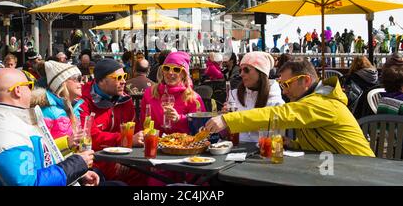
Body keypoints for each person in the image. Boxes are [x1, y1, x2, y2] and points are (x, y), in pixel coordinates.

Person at [205, 59, 375, 157]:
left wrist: (227, 119)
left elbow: (279, 114)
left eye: (286, 84)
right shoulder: (317, 99)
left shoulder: (323, 103)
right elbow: (323, 141)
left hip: (360, 169)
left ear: (306, 81)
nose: (283, 90)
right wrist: (294, 143)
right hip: (340, 165)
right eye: (281, 84)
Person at [0, 68, 99, 186]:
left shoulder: (12, 121)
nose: (32, 90)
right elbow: (30, 183)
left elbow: (41, 156)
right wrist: (77, 164)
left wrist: (77, 173)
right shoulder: (4, 131)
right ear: (18, 91)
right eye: (29, 85)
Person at [80, 58, 145, 185]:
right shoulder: (83, 101)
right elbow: (91, 136)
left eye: (124, 76)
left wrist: (128, 158)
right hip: (95, 160)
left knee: (146, 171)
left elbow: (135, 130)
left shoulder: (125, 100)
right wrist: (125, 139)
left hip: (122, 156)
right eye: (118, 77)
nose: (124, 81)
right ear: (102, 81)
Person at [223, 52, 284, 143]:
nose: (241, 74)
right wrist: (225, 121)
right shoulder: (234, 95)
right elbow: (228, 132)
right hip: (235, 150)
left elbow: (276, 136)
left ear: (261, 73)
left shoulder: (276, 102)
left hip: (262, 152)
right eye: (240, 70)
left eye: (246, 70)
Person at [140, 51, 205, 135]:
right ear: (162, 71)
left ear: (184, 74)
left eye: (176, 69)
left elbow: (200, 129)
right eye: (166, 68)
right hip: (154, 144)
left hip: (183, 145)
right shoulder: (149, 93)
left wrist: (179, 119)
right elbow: (142, 124)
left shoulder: (194, 98)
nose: (170, 72)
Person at [30, 60, 85, 155]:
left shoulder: (75, 108)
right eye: (78, 79)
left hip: (73, 165)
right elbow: (40, 149)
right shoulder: (47, 110)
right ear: (62, 81)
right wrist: (67, 143)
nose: (82, 83)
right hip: (58, 168)